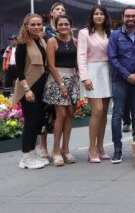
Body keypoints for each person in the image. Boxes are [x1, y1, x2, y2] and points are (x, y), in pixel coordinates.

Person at [107, 6, 135, 164]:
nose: (130, 19)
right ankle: (117, 150)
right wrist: (127, 75)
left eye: (133, 16)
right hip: (120, 80)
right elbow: (112, 58)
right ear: (122, 17)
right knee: (117, 115)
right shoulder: (115, 36)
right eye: (127, 16)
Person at [10, 13, 49, 170]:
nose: (37, 27)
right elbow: (19, 71)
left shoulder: (41, 41)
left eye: (39, 24)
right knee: (30, 122)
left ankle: (32, 152)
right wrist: (26, 89)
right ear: (26, 26)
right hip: (29, 88)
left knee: (37, 121)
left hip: (40, 88)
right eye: (33, 24)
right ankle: (25, 156)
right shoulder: (22, 44)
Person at [77, 5, 113, 163]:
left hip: (107, 73)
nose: (99, 16)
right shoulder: (84, 33)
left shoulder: (110, 33)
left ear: (105, 17)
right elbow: (81, 56)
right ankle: (91, 148)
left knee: (104, 113)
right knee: (97, 110)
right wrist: (84, 77)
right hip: (91, 72)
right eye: (96, 14)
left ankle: (100, 146)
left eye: (101, 14)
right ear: (92, 16)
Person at [43, 15, 79, 167]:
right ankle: (56, 150)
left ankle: (66, 148)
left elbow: (78, 62)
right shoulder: (52, 41)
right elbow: (50, 65)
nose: (64, 27)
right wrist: (61, 84)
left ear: (70, 25)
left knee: (70, 113)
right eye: (61, 24)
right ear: (56, 26)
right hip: (57, 78)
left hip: (72, 78)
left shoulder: (75, 41)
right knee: (61, 114)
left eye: (66, 24)